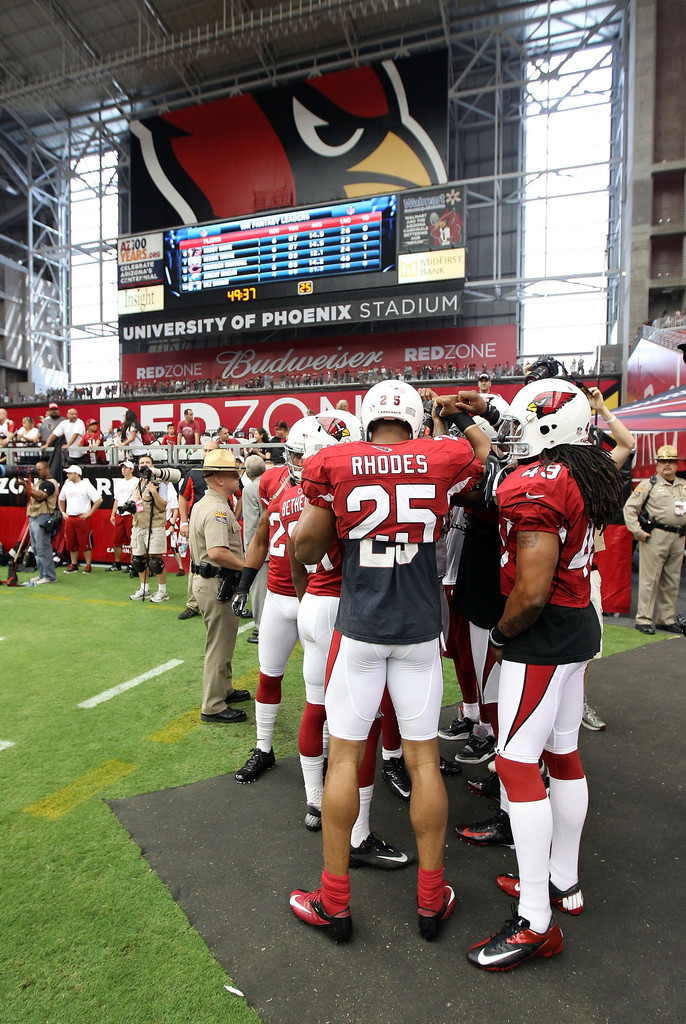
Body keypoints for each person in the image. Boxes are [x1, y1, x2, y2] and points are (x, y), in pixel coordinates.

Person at [288, 380, 487, 944]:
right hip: (420, 630)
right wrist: (462, 416)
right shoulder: (441, 454)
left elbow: (305, 548)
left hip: (362, 628)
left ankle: (334, 898)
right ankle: (430, 901)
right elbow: (481, 460)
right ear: (415, 419)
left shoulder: (334, 459)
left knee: (346, 759)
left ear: (368, 418)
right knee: (424, 763)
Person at [463, 379, 623, 972]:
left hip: (544, 631)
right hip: (580, 623)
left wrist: (502, 636)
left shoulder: (537, 483)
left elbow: (529, 591)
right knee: (563, 754)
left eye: (525, 422)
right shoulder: (585, 468)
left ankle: (536, 921)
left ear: (549, 427)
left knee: (514, 762)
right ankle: (564, 881)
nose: (514, 434)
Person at [189, 448, 250, 724]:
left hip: (209, 582)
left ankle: (224, 689)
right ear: (218, 479)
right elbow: (217, 552)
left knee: (222, 641)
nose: (238, 476)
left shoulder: (207, 504)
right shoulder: (216, 510)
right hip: (216, 582)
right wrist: (248, 565)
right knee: (219, 645)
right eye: (232, 473)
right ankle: (213, 704)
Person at [623, 444, 686, 635]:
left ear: (676, 464)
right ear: (657, 464)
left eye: (671, 461)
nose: (667, 465)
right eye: (663, 461)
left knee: (672, 579)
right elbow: (630, 508)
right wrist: (637, 531)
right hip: (655, 535)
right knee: (650, 579)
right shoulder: (649, 484)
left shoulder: (683, 485)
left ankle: (665, 619)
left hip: (678, 535)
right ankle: (644, 618)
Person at [177, 439, 219, 619]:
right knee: (195, 564)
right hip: (197, 525)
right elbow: (182, 498)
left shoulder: (225, 472)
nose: (207, 453)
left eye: (211, 450)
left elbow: (239, 495)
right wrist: (184, 522)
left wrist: (235, 515)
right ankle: (193, 604)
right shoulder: (193, 473)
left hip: (219, 523)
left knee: (222, 560)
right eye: (205, 450)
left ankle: (224, 598)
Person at [129, 454, 172, 603]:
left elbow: (163, 506)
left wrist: (154, 491)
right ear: (138, 466)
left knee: (155, 561)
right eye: (142, 462)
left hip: (155, 526)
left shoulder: (160, 483)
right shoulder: (137, 483)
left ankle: (162, 591)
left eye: (148, 462)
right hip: (138, 525)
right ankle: (144, 589)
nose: (145, 464)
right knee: (138, 560)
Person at [241, 453, 268, 644]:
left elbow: (251, 525)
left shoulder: (250, 489)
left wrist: (248, 553)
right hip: (281, 546)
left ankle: (262, 629)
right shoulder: (276, 483)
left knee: (259, 592)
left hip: (261, 549)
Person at [18, 460, 59, 584]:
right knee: (35, 548)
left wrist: (27, 486)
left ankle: (50, 576)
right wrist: (25, 484)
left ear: (47, 469)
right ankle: (42, 574)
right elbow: (29, 493)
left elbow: (40, 496)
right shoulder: (39, 482)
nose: (37, 472)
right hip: (33, 516)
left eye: (39, 469)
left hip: (42, 516)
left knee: (43, 548)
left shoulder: (50, 483)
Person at [58, 465, 103, 573]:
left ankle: (88, 565)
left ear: (76, 474)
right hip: (70, 517)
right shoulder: (67, 485)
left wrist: (90, 513)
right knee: (71, 543)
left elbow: (98, 499)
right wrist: (62, 512)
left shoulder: (86, 485)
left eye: (69, 473)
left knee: (86, 543)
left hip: (82, 518)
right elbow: (60, 499)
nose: (67, 475)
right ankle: (74, 564)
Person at [108, 460, 136, 572]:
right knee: (117, 541)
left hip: (131, 514)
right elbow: (116, 499)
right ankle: (117, 563)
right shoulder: (119, 482)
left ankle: (132, 563)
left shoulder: (136, 481)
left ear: (131, 469)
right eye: (122, 467)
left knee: (133, 541)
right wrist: (113, 514)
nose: (123, 469)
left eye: (126, 467)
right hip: (120, 514)